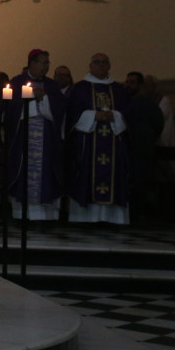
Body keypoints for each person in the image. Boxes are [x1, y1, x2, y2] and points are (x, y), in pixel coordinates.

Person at [66, 53, 131, 224]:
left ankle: (112, 218)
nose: (101, 66)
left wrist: (114, 116)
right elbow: (72, 114)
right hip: (88, 144)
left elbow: (128, 113)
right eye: (97, 62)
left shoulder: (119, 89)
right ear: (90, 66)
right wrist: (94, 116)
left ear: (109, 66)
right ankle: (86, 218)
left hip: (114, 143)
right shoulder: (79, 88)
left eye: (104, 63)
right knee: (85, 175)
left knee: (114, 175)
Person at [5, 49, 65, 222]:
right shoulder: (17, 82)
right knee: (22, 169)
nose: (46, 66)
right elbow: (10, 108)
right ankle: (20, 213)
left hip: (46, 139)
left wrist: (44, 99)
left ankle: (46, 216)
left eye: (48, 63)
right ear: (32, 63)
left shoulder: (52, 85)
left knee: (46, 170)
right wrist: (31, 97)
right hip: (23, 139)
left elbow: (60, 108)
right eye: (43, 62)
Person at [124, 71, 165, 225]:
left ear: (140, 85)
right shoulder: (124, 102)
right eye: (127, 82)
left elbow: (158, 123)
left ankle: (141, 216)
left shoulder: (148, 103)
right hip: (127, 150)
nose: (128, 85)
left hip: (142, 151)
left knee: (141, 184)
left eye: (132, 82)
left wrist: (146, 139)